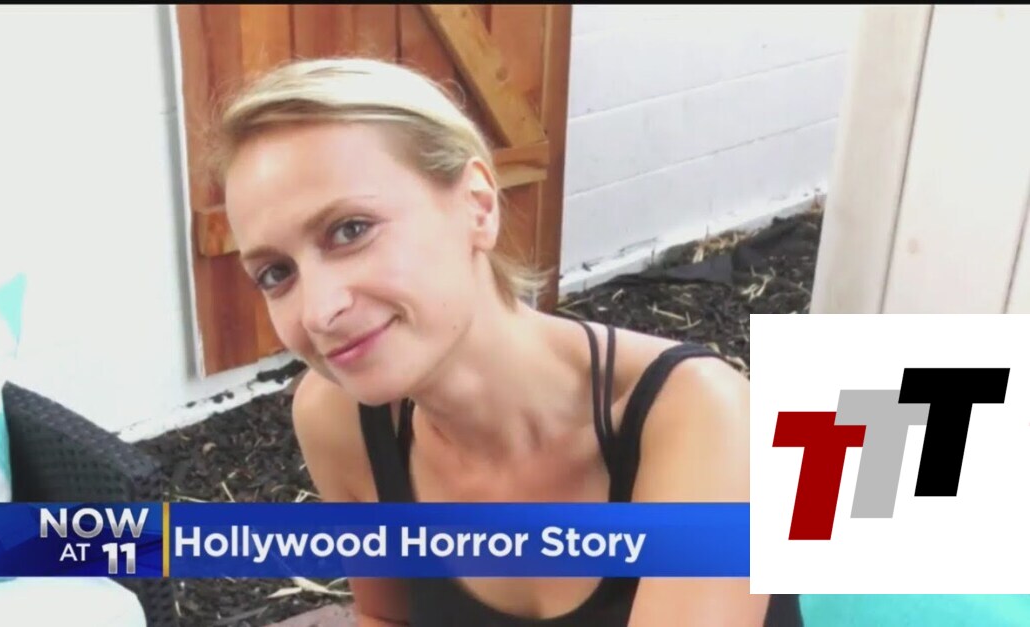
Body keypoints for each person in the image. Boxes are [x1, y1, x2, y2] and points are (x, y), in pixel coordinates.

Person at [212, 57, 799, 627]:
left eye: (350, 230)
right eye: (275, 273)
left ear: (478, 204)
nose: (319, 312)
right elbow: (385, 615)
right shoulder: (339, 419)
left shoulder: (699, 418)